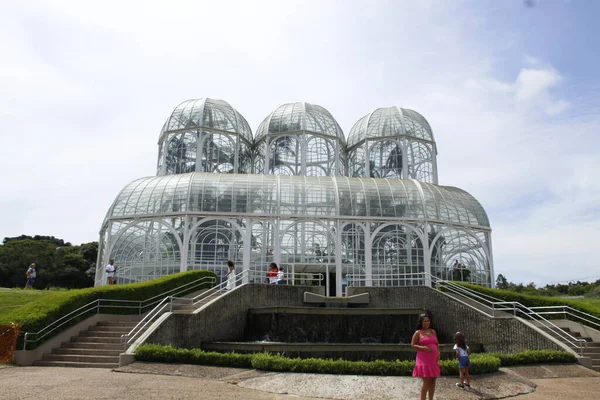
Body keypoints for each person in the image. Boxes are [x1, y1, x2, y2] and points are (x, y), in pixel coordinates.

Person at [411, 313, 440, 400]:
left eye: (428, 321)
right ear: (421, 322)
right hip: (423, 359)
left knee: (433, 380)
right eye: (424, 321)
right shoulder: (418, 332)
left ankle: (431, 399)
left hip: (433, 359)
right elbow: (412, 344)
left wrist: (438, 353)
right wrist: (423, 348)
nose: (427, 322)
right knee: (427, 381)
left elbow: (437, 344)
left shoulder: (433, 331)